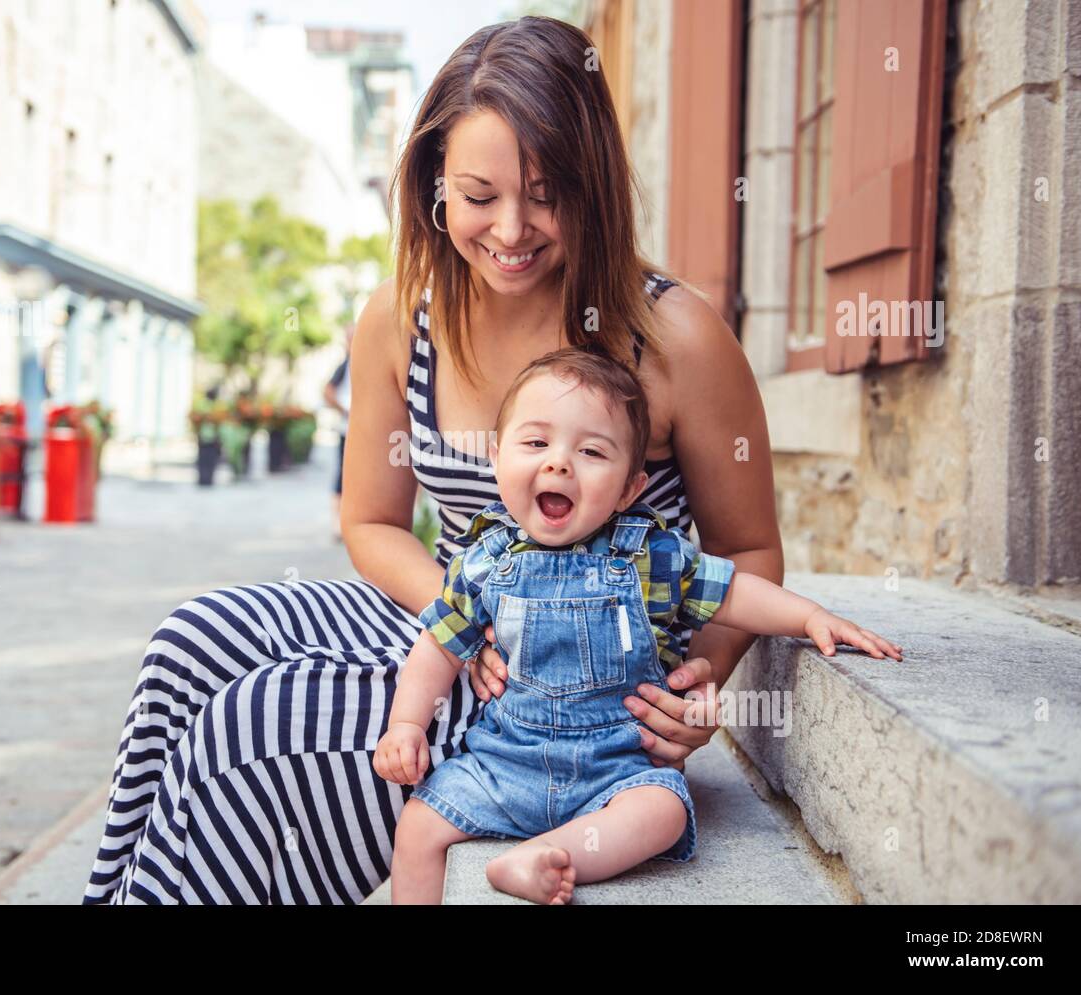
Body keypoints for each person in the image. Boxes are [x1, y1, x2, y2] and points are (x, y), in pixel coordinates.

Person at [85, 15, 786, 904]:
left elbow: (753, 550)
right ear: (433, 187)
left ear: (595, 184)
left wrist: (694, 686)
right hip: (458, 621)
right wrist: (460, 623)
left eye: (545, 193)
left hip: (578, 682)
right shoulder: (399, 316)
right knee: (187, 643)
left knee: (251, 727)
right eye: (478, 194)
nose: (511, 229)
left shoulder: (676, 335)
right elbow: (371, 523)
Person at [377, 350, 900, 904]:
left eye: (592, 451)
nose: (559, 463)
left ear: (629, 488)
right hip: (506, 761)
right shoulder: (484, 561)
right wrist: (406, 724)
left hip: (618, 767)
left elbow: (733, 592)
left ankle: (547, 856)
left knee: (664, 811)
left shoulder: (649, 555)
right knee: (418, 825)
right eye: (535, 443)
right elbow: (437, 646)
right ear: (496, 455)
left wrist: (810, 615)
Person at [323, 326, 354, 542]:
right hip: (348, 430)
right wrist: (347, 411)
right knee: (343, 476)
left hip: (359, 430)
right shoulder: (345, 365)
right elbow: (327, 391)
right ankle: (338, 525)